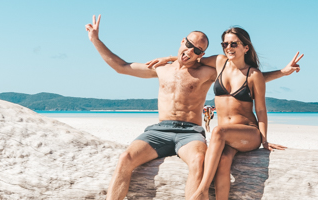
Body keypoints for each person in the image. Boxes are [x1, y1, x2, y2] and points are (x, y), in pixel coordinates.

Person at [86, 15, 300, 200]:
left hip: (190, 133)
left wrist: (282, 72)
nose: (191, 50)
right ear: (182, 41)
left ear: (201, 54)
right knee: (125, 158)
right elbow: (121, 66)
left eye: (198, 50)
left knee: (199, 161)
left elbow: (249, 77)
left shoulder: (208, 71)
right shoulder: (161, 69)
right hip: (159, 131)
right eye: (189, 45)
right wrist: (95, 40)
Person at [172, 27, 294, 199]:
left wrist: (265, 140)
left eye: (233, 44)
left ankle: (202, 190)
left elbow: (260, 109)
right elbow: (193, 59)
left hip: (248, 133)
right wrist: (168, 59)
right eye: (225, 43)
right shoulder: (220, 62)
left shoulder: (254, 75)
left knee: (218, 131)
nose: (228, 47)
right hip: (225, 137)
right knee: (222, 162)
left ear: (246, 48)